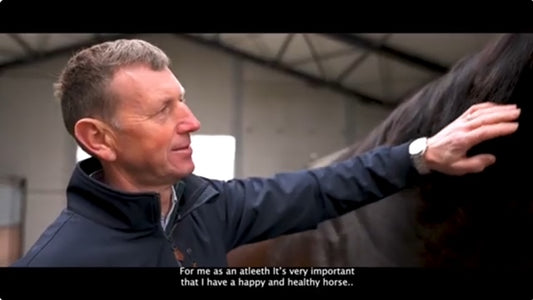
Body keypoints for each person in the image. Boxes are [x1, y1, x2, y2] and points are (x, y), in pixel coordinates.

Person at [11, 39, 520, 267]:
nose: (192, 122)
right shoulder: (62, 260)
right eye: (163, 110)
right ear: (99, 139)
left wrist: (423, 153)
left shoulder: (205, 206)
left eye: (183, 101)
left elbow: (321, 188)